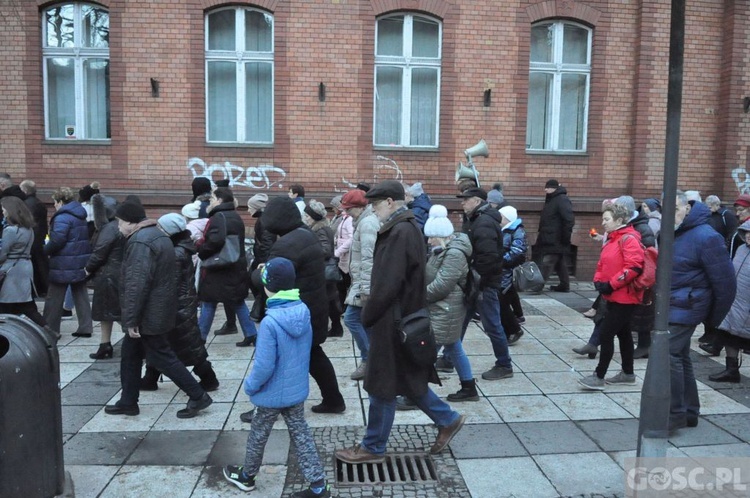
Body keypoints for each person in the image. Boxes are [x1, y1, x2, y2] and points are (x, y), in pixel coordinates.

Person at [335, 181, 465, 464]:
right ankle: (448, 419)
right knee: (407, 379)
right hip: (400, 319)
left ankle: (373, 447)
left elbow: (388, 284)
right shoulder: (404, 229)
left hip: (392, 322)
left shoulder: (399, 232)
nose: (373, 210)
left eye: (376, 204)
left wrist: (368, 315)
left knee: (382, 384)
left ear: (391, 203)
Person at [223, 258, 331, 498]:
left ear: (267, 287)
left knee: (258, 435)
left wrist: (250, 386)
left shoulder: (271, 322)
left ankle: (247, 477)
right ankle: (319, 486)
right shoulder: (303, 310)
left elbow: (263, 366)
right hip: (294, 391)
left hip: (271, 394)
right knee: (301, 435)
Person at [105, 201, 212, 418]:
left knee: (163, 356)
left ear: (128, 222)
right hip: (159, 309)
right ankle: (128, 401)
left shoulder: (140, 242)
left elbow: (137, 283)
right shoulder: (158, 235)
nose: (118, 227)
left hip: (148, 314)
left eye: (119, 222)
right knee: (130, 354)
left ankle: (198, 395)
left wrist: (132, 319)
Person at [262, 196, 346, 414]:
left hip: (292, 313)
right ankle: (334, 400)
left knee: (279, 359)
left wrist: (259, 272)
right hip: (312, 308)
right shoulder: (305, 234)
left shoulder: (286, 244)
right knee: (313, 355)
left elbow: (272, 281)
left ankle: (269, 407)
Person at [668, 193, 735, 432]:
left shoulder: (707, 236)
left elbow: (726, 284)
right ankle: (688, 412)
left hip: (687, 307)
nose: (670, 214)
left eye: (675, 208)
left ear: (687, 207)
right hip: (672, 304)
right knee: (680, 357)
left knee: (667, 356)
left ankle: (673, 414)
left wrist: (712, 322)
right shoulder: (673, 232)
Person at [139, 213, 219, 392]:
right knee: (164, 343)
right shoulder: (179, 248)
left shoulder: (175, 254)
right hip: (181, 304)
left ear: (169, 232)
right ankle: (150, 377)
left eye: (161, 228)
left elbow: (169, 284)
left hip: (177, 306)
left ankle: (209, 378)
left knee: (186, 345)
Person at [578, 203, 645, 390]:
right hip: (614, 295)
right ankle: (628, 373)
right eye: (603, 219)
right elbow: (604, 264)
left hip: (625, 297)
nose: (603, 223)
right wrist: (599, 282)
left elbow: (634, 267)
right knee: (624, 335)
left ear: (619, 220)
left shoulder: (628, 239)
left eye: (607, 219)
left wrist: (611, 284)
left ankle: (599, 376)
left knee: (606, 334)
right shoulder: (613, 238)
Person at [455, 187, 514, 381]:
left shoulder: (484, 223)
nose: (462, 203)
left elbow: (488, 257)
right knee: (460, 321)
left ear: (477, 201)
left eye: (466, 200)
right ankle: (449, 357)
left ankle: (504, 365)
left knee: (492, 325)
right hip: (476, 282)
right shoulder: (476, 219)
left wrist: (476, 278)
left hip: (483, 283)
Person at [423, 205, 478, 401]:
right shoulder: (442, 250)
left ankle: (416, 394)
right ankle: (469, 387)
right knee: (454, 347)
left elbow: (442, 286)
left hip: (445, 308)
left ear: (441, 235)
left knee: (425, 354)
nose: (428, 241)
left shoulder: (454, 253)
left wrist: (419, 296)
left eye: (431, 237)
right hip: (444, 307)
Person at [196, 187, 258, 347]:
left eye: (212, 199)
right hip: (234, 266)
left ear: (219, 200)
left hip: (219, 268)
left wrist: (201, 251)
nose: (210, 202)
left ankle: (200, 337)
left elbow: (215, 241)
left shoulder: (219, 217)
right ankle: (251, 333)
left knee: (208, 301)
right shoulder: (235, 216)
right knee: (237, 301)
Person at [43, 187, 93, 338]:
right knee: (80, 293)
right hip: (79, 259)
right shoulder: (79, 214)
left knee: (54, 297)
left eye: (55, 202)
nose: (54, 205)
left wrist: (45, 250)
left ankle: (50, 329)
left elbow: (57, 240)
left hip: (63, 262)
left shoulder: (63, 217)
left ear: (60, 201)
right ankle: (86, 327)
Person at [341, 189, 378, 381]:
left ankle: (369, 360)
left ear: (359, 207)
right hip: (361, 281)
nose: (346, 213)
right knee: (367, 323)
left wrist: (365, 288)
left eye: (349, 209)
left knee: (351, 319)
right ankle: (375, 359)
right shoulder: (363, 221)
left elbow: (368, 257)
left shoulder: (367, 223)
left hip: (364, 283)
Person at [708, 219, 750, 383]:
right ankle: (731, 371)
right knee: (728, 335)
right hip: (735, 301)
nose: (748, 236)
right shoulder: (741, 249)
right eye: (747, 232)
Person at [85, 194, 125, 360]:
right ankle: (105, 344)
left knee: (116, 313)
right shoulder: (118, 225)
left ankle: (142, 344)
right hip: (114, 274)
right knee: (107, 313)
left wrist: (87, 269)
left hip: (108, 276)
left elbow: (100, 252)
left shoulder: (109, 228)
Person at [0, 197, 46, 327]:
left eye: (4, 209)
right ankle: (48, 330)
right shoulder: (28, 229)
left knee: (6, 303)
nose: (3, 212)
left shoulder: (10, 230)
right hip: (25, 267)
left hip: (11, 270)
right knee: (26, 304)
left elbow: (3, 255)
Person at [302, 200, 342, 339]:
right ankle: (336, 327)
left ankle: (332, 328)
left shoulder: (320, 230)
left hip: (324, 270)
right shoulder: (322, 227)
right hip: (325, 270)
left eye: (307, 216)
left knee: (326, 301)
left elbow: (325, 250)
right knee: (330, 300)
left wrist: (310, 252)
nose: (305, 218)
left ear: (314, 217)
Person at [535, 179, 575, 292]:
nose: (545, 189)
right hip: (550, 237)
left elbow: (568, 220)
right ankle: (564, 285)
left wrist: (565, 238)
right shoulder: (552, 199)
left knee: (548, 262)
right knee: (559, 262)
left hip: (556, 239)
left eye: (547, 187)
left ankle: (538, 286)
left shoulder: (561, 200)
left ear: (554, 188)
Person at [499, 206, 527, 343]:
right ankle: (511, 327)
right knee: (502, 300)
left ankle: (514, 330)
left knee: (501, 302)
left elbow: (517, 251)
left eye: (501, 216)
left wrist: (500, 260)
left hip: (506, 270)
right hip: (501, 270)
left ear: (507, 218)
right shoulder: (504, 230)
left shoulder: (516, 231)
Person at [20, 180, 49, 297]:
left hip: (32, 238)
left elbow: (26, 222)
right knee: (41, 263)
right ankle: (44, 288)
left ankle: (38, 289)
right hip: (40, 237)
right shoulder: (39, 203)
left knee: (36, 264)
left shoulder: (26, 204)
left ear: (25, 190)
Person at [332, 195, 353, 329]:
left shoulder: (349, 220)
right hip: (342, 256)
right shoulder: (343, 219)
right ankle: (342, 308)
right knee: (341, 284)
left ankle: (344, 308)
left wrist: (339, 250)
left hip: (345, 256)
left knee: (345, 283)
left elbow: (350, 239)